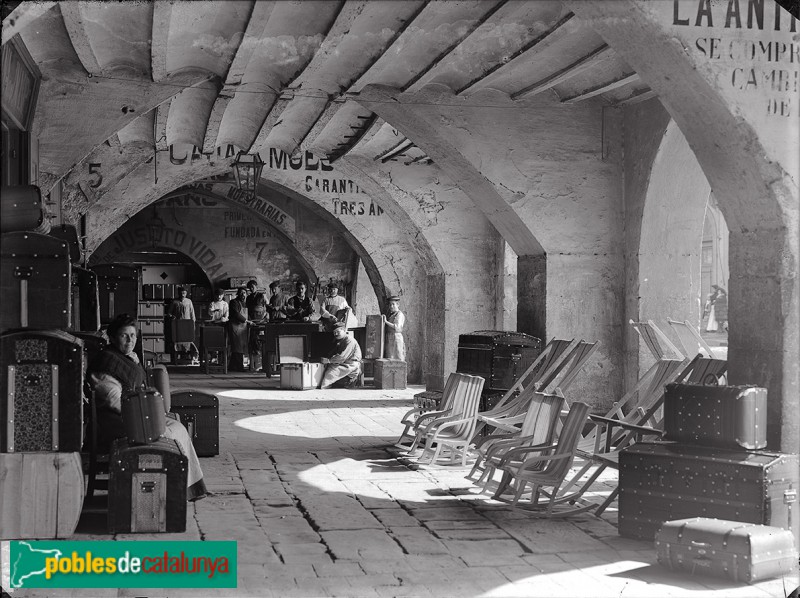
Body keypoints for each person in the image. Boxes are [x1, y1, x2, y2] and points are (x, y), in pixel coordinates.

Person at [86, 314, 208, 501]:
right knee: (168, 434)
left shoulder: (126, 357)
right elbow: (113, 401)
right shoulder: (106, 364)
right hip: (117, 422)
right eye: (124, 335)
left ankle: (189, 488)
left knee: (178, 428)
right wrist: (146, 416)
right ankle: (174, 491)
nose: (130, 340)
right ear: (112, 337)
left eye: (133, 336)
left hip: (135, 414)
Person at [319, 321, 362, 389]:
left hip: (350, 364)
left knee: (331, 372)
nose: (336, 334)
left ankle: (351, 380)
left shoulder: (349, 340)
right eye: (334, 332)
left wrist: (329, 361)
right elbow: (333, 352)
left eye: (338, 332)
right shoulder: (340, 340)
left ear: (344, 330)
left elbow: (342, 357)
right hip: (342, 363)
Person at [168, 286, 198, 362]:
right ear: (178, 293)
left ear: (186, 293)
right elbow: (169, 313)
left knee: (188, 341)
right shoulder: (175, 302)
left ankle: (188, 357)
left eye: (184, 293)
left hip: (187, 325)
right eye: (181, 293)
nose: (182, 295)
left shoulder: (189, 301)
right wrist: (172, 316)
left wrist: (193, 324)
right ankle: (176, 358)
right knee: (178, 341)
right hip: (178, 325)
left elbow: (192, 313)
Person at [245, 280, 268, 371]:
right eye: (250, 287)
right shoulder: (249, 298)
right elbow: (247, 310)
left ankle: (260, 364)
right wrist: (249, 320)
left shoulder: (262, 296)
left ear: (256, 287)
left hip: (261, 322)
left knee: (260, 342)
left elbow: (266, 307)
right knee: (251, 342)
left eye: (253, 286)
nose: (251, 288)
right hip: (252, 322)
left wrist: (264, 318)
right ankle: (252, 365)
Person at [228, 287, 249, 371]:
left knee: (239, 347)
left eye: (244, 293)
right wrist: (246, 320)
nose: (242, 295)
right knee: (237, 347)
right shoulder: (234, 302)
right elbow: (236, 314)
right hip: (235, 327)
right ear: (238, 294)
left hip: (242, 328)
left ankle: (232, 366)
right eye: (241, 293)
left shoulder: (245, 303)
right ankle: (240, 367)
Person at [383, 295, 406, 361]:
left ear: (398, 304)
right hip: (390, 337)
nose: (391, 306)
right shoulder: (392, 314)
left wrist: (386, 322)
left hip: (396, 338)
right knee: (390, 358)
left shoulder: (399, 314)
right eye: (390, 305)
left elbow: (397, 327)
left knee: (398, 357)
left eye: (393, 304)